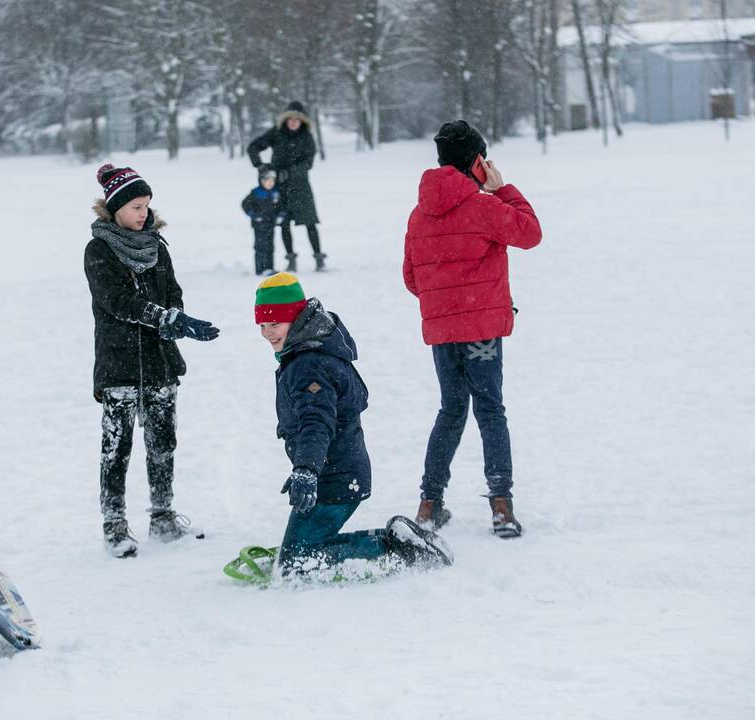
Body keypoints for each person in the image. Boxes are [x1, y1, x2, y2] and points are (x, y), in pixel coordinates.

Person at [254, 272, 452, 576]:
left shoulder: (308, 365)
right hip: (337, 472)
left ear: (296, 319)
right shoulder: (310, 352)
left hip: (334, 477)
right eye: (263, 326)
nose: (268, 333)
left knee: (296, 564)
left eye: (275, 324)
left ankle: (396, 550)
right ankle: (395, 539)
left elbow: (316, 422)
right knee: (303, 550)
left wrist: (305, 468)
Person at [402, 120, 542, 538]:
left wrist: (446, 302)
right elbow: (531, 233)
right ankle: (501, 507)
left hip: (443, 332)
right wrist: (503, 190)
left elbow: (412, 278)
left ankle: (429, 506)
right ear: (477, 161)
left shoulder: (419, 212)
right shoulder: (485, 207)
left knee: (451, 410)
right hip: (481, 330)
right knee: (490, 410)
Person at [85, 163, 220, 558]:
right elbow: (117, 302)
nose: (143, 213)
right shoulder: (99, 250)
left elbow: (173, 292)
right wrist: (166, 318)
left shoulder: (157, 246)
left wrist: (175, 316)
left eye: (146, 205)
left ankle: (162, 517)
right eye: (135, 207)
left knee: (163, 443)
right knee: (117, 447)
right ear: (115, 209)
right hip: (119, 367)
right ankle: (114, 524)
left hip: (160, 362)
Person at [247, 101, 325, 272]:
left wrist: (290, 172)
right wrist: (260, 166)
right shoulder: (277, 133)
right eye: (289, 119)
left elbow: (308, 162)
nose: (292, 122)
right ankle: (291, 259)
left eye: (296, 119)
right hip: (281, 189)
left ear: (302, 121)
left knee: (310, 223)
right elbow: (253, 147)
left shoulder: (307, 137)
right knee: (284, 224)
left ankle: (319, 257)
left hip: (301, 187)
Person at [240, 168, 284, 275]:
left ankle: (269, 267)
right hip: (259, 225)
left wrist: (281, 215)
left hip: (271, 224)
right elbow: (245, 204)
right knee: (260, 246)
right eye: (267, 181)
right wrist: (254, 215)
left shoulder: (276, 193)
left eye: (272, 181)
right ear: (261, 181)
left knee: (270, 246)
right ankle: (261, 269)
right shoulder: (256, 193)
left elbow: (281, 206)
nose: (270, 183)